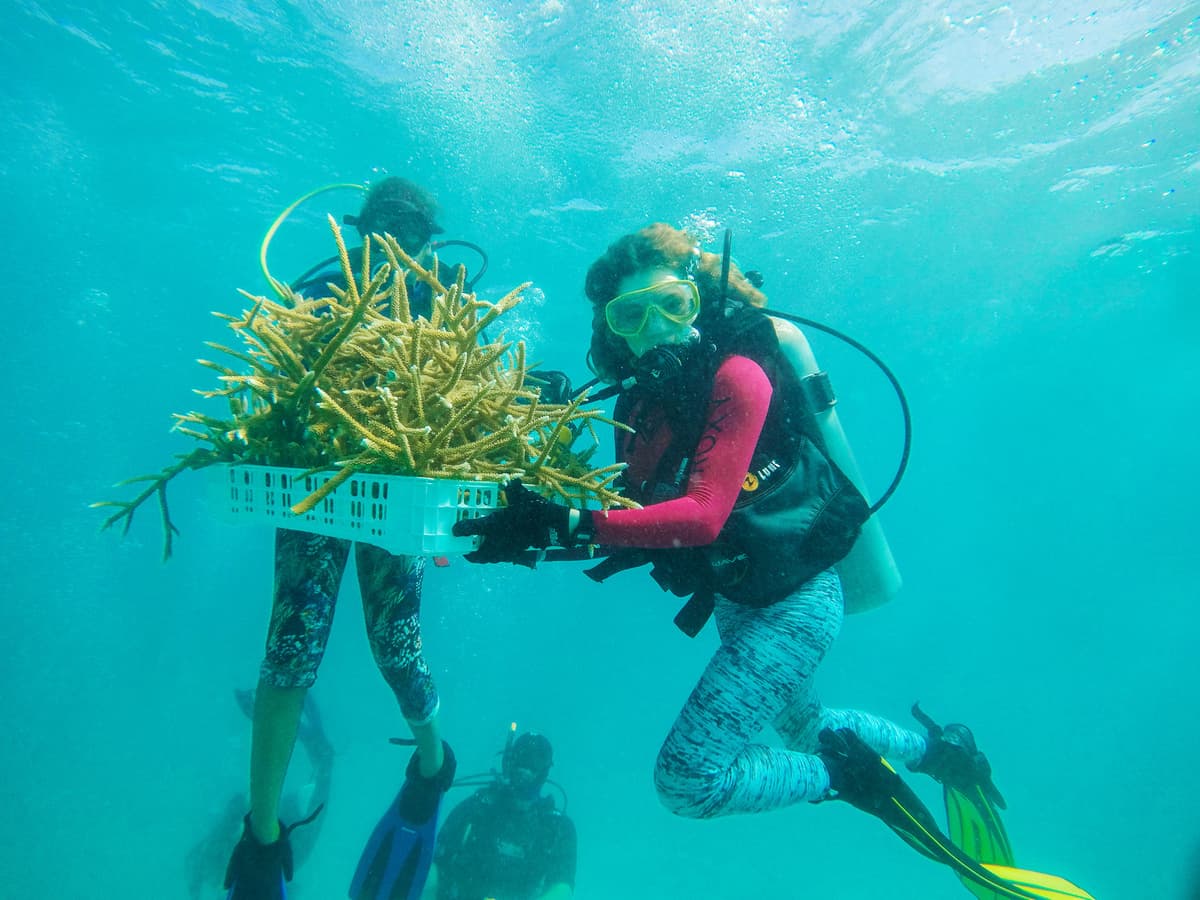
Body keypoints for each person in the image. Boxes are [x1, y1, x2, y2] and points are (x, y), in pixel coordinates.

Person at [452, 223, 1087, 899]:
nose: (656, 328)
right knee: (810, 727)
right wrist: (533, 531)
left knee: (689, 780)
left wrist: (569, 522)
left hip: (797, 605)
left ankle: (844, 778)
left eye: (672, 303)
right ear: (613, 332)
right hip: (741, 600)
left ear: (697, 299)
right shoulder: (641, 404)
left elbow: (702, 516)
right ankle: (943, 752)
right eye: (631, 314)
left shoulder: (740, 372)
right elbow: (631, 522)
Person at [223, 177, 459, 900]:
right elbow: (272, 383)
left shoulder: (446, 301)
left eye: (410, 234)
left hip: (400, 491)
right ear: (360, 230)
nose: (395, 247)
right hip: (317, 485)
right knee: (289, 652)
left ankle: (432, 761)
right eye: (383, 230)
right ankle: (262, 833)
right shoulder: (321, 286)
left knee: (398, 650)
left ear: (430, 239)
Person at [187, 690, 332, 900]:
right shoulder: (212, 859)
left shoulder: (212, 859)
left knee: (323, 767)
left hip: (267, 845)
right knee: (323, 767)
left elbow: (199, 870)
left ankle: (295, 714)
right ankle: (297, 714)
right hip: (270, 843)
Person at [424, 731, 576, 900]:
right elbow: (433, 868)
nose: (524, 774)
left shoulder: (557, 828)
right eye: (521, 763)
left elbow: (563, 888)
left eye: (533, 766)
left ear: (544, 773)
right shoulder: (475, 808)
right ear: (509, 764)